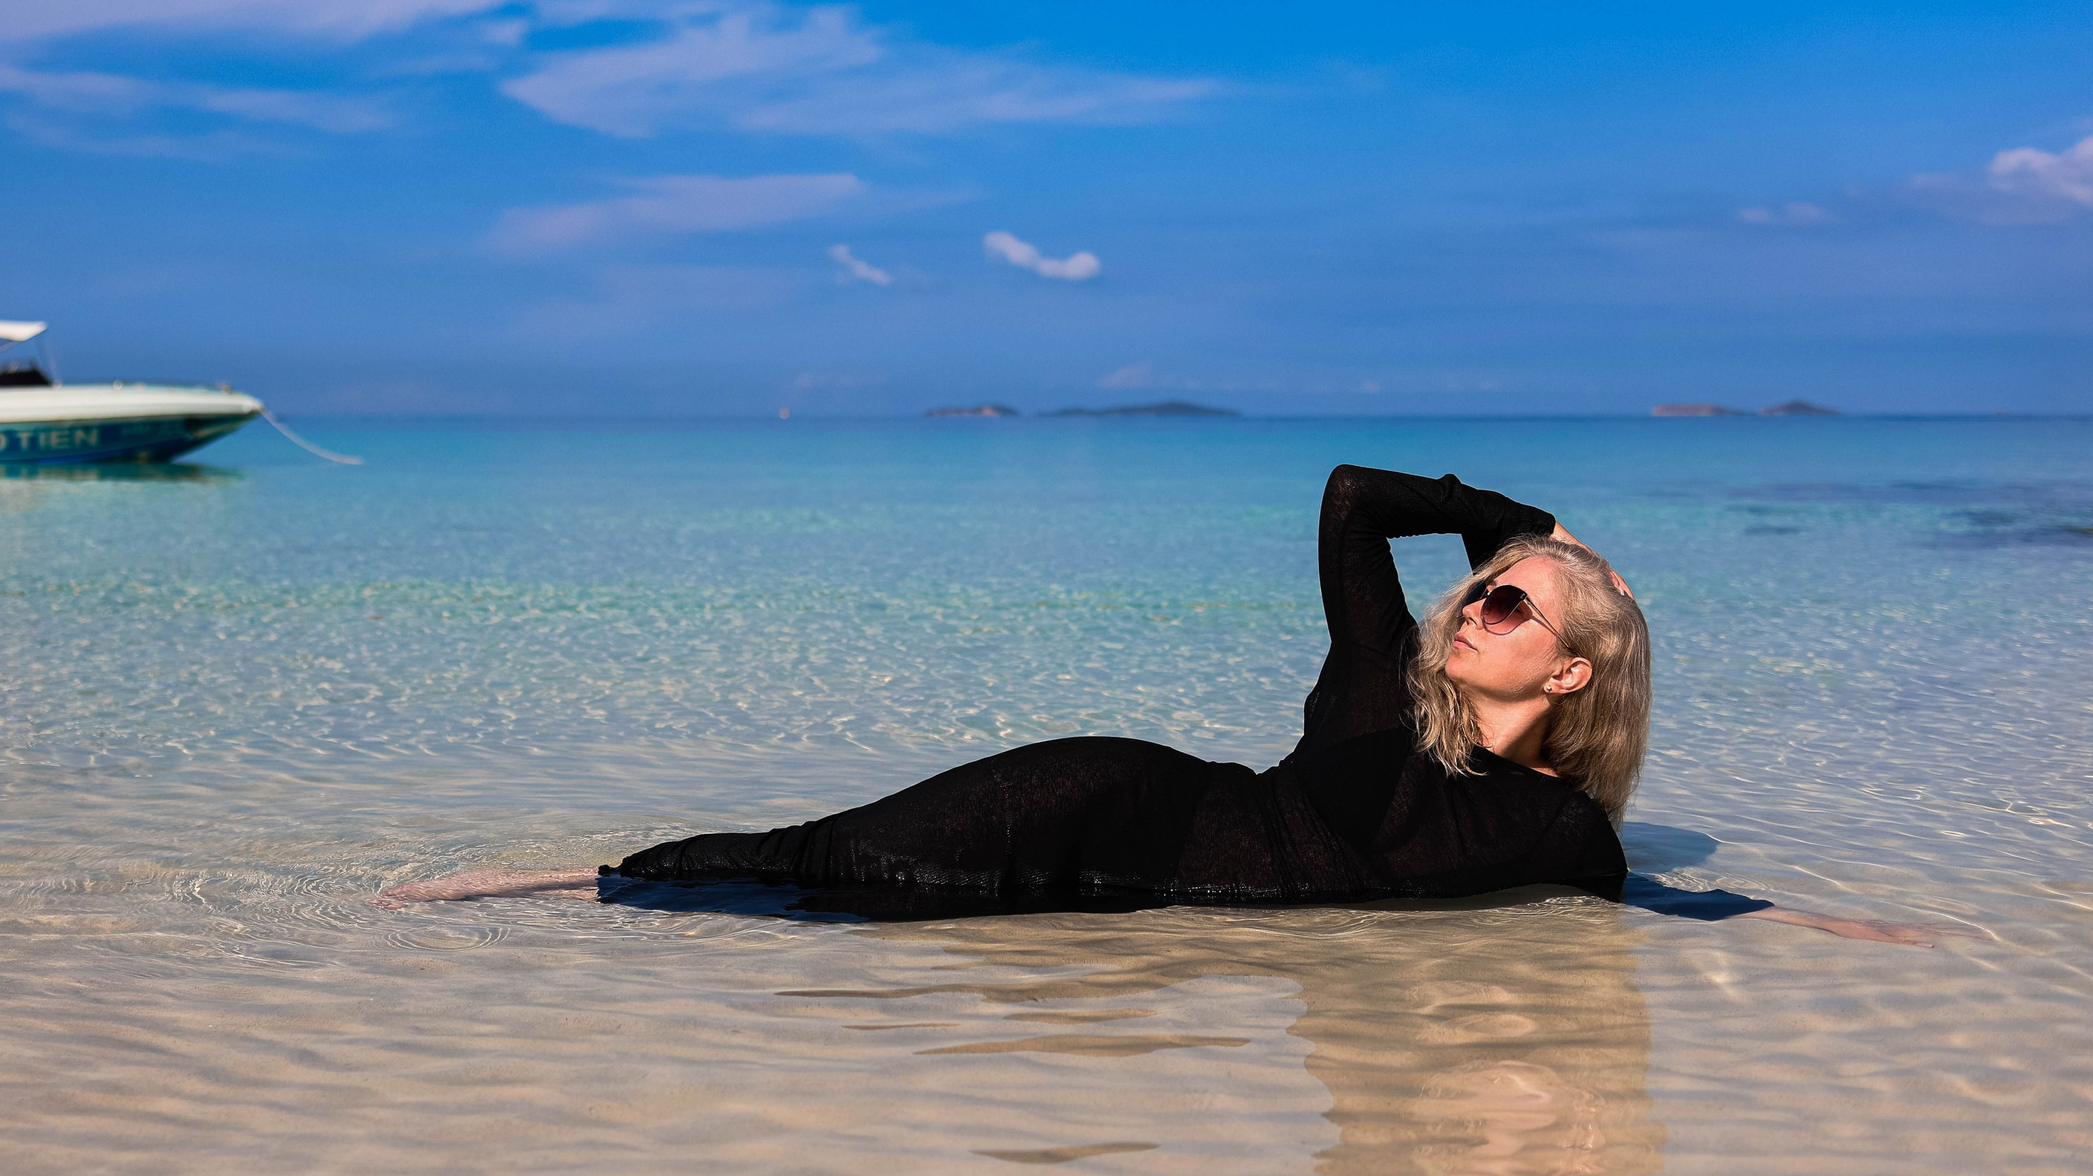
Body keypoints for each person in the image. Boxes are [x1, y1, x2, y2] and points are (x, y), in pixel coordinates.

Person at [376, 464, 1936, 944]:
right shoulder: (1384, 700)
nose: (1473, 606)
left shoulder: (1566, 835)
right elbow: (1345, 507)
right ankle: (561, 876)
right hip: (1110, 805)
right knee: (825, 866)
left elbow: (1686, 908)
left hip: (1138, 911)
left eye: (1509, 606)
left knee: (856, 932)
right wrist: (1518, 520)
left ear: (1576, 674)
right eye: (1475, 591)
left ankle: (596, 887)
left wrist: (1842, 930)